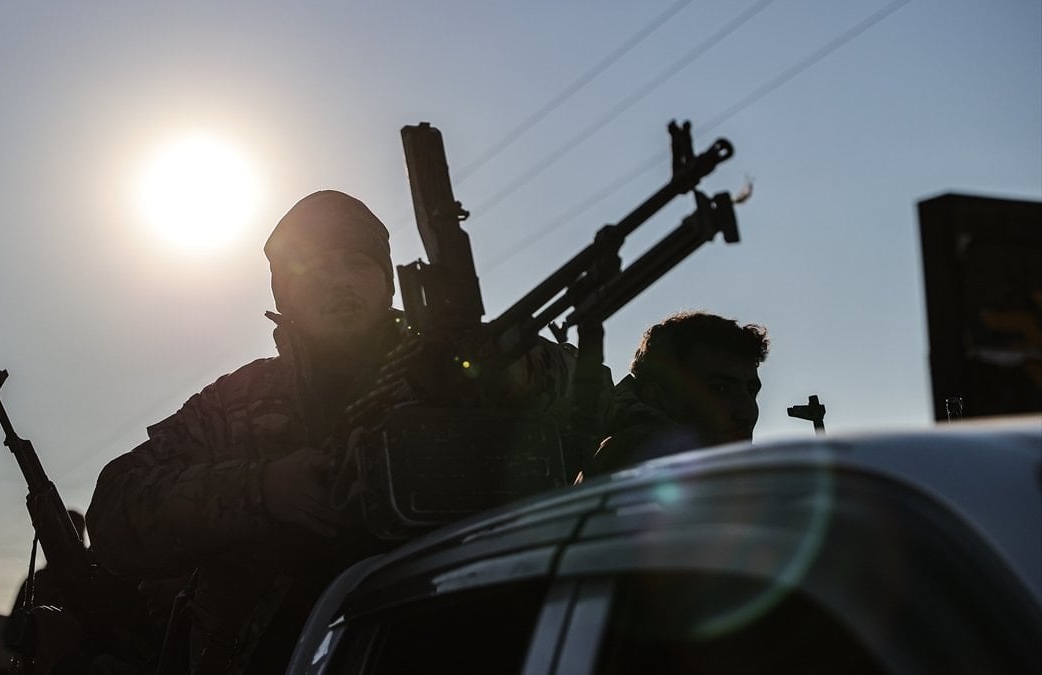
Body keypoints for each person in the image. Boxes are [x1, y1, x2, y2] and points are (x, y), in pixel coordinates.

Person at [86, 190, 579, 674]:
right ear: (285, 293)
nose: (339, 281)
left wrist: (508, 368)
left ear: (387, 284)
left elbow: (593, 398)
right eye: (316, 269)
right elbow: (112, 514)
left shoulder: (449, 367)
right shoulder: (233, 403)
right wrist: (263, 489)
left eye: (357, 263)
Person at [585, 311, 769, 477]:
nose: (748, 412)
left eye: (752, 391)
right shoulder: (650, 456)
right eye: (720, 388)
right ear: (655, 395)